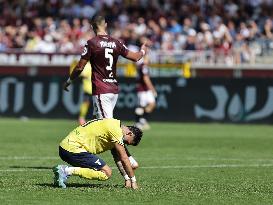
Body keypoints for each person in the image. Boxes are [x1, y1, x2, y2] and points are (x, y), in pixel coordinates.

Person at [63, 15, 147, 175]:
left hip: (101, 90)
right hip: (113, 90)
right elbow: (136, 57)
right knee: (105, 128)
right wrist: (143, 49)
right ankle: (127, 167)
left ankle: (129, 162)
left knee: (109, 130)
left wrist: (68, 81)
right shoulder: (116, 42)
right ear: (105, 24)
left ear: (92, 26)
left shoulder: (92, 43)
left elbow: (80, 67)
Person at [53, 118, 143, 189]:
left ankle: (61, 176)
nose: (125, 144)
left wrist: (127, 178)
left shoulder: (113, 125)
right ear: (129, 133)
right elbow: (124, 158)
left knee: (105, 170)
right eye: (127, 142)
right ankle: (65, 171)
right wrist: (133, 181)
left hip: (66, 148)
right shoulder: (116, 131)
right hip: (73, 149)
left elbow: (118, 158)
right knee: (107, 172)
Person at [135, 56, 157, 130]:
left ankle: (142, 120)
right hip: (143, 89)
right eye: (147, 58)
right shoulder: (144, 66)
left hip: (145, 89)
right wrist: (152, 89)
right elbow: (145, 78)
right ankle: (138, 122)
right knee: (141, 106)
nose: (149, 59)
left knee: (152, 104)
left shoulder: (142, 66)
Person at [70, 59, 93, 125]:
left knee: (93, 104)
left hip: (96, 88)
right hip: (89, 88)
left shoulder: (94, 65)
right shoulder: (88, 65)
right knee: (86, 103)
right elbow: (83, 74)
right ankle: (81, 118)